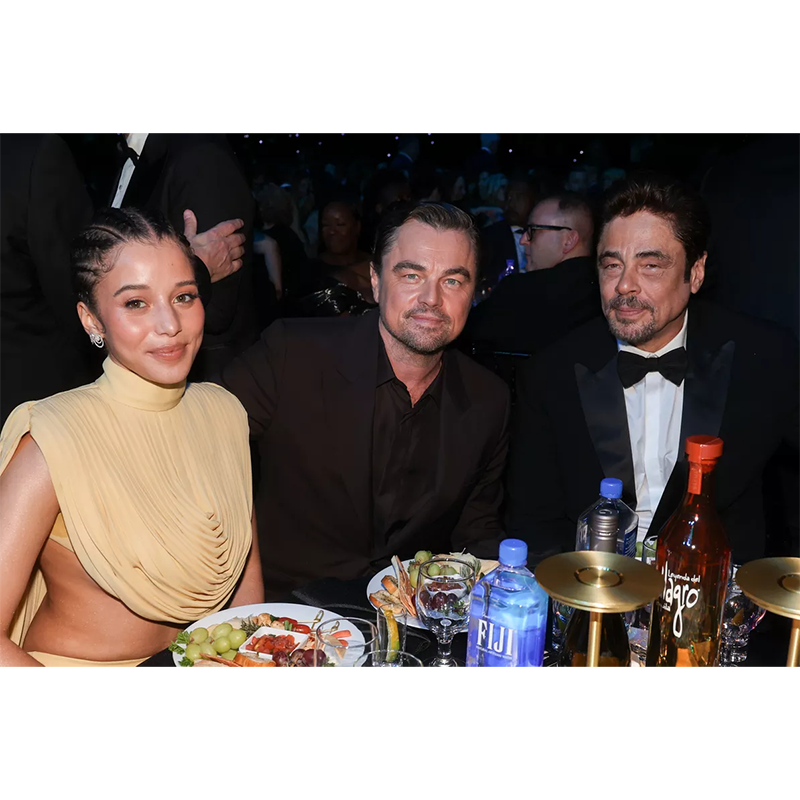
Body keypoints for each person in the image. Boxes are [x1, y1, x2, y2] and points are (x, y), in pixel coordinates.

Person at [0, 208, 263, 666]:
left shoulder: (224, 412)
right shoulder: (52, 437)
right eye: (136, 303)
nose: (169, 324)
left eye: (184, 297)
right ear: (92, 320)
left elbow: (245, 593)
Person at [217, 201, 511, 599]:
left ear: (474, 292)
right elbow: (198, 451)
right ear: (375, 281)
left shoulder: (488, 398)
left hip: (410, 620)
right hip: (286, 612)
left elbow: (477, 532)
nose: (432, 298)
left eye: (453, 281)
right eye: (412, 275)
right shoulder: (292, 354)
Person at [506, 174, 800, 565]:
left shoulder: (763, 359)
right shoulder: (551, 373)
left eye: (650, 265)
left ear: (696, 272)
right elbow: (532, 523)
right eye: (612, 265)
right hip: (594, 588)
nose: (624, 285)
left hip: (715, 590)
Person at [110, 133, 258, 379]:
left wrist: (191, 267)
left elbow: (218, 310)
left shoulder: (200, 156)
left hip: (198, 381)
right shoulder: (134, 159)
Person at [465, 192, 599, 356]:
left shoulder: (520, 291)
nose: (523, 240)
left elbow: (465, 334)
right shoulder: (603, 291)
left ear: (568, 240)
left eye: (532, 231)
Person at [478, 178, 537, 288]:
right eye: (508, 197)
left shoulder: (545, 234)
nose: (511, 203)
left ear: (533, 200)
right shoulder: (490, 236)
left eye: (519, 197)